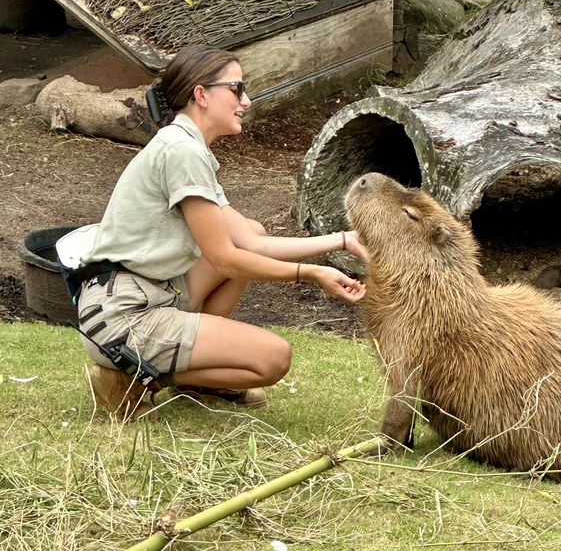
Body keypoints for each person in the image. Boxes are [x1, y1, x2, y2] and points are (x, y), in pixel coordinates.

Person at [76, 44, 367, 420]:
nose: (245, 101)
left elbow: (249, 241)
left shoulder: (186, 146)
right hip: (125, 318)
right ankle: (135, 378)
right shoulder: (183, 153)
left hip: (138, 296)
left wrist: (343, 240)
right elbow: (225, 257)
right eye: (236, 89)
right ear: (201, 94)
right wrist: (311, 273)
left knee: (251, 226)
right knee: (274, 359)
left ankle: (195, 377)